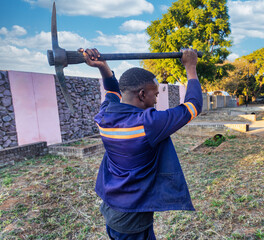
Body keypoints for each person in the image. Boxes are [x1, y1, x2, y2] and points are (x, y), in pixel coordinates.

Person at [79, 48, 202, 239]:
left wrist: (102, 66)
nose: (157, 99)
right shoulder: (148, 124)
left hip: (113, 208)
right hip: (133, 218)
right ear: (143, 94)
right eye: (156, 94)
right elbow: (193, 106)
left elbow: (112, 91)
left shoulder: (104, 115)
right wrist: (191, 67)